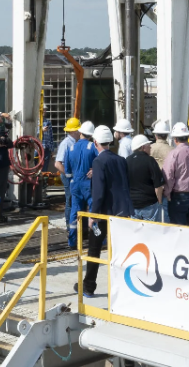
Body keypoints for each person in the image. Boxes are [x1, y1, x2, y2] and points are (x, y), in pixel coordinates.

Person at [82, 125, 133, 297]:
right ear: (110, 141)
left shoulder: (98, 162)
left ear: (95, 142)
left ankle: (88, 287)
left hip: (103, 214)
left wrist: (93, 216)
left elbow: (98, 192)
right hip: (121, 213)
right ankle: (121, 287)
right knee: (118, 251)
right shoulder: (120, 160)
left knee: (94, 251)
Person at [63, 121, 99, 249]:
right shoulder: (92, 147)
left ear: (81, 132)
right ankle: (98, 237)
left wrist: (72, 181)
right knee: (94, 210)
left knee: (75, 211)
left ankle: (72, 241)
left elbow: (66, 171)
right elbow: (100, 163)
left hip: (75, 184)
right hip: (88, 184)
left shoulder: (71, 148)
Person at [126, 134, 166, 222]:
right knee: (152, 232)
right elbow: (158, 186)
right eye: (149, 146)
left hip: (133, 205)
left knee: (136, 233)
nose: (150, 148)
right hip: (149, 205)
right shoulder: (150, 160)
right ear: (143, 147)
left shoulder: (127, 161)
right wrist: (159, 202)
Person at [54, 117, 82, 223]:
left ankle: (73, 223)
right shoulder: (66, 143)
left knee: (74, 200)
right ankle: (69, 225)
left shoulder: (74, 142)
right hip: (68, 176)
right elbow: (57, 163)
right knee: (70, 200)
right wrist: (68, 174)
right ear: (74, 131)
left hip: (73, 175)